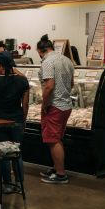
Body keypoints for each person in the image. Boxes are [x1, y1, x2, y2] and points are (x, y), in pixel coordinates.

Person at [0, 52, 30, 193]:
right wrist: (23, 120)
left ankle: (8, 185)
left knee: (3, 153)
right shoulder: (23, 81)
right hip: (16, 119)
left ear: (0, 64)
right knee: (16, 152)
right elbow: (25, 103)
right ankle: (19, 184)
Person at [36, 34, 75, 184]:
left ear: (40, 51)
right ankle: (56, 167)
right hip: (66, 105)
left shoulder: (47, 62)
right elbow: (71, 84)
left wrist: (44, 105)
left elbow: (49, 86)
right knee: (57, 138)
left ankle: (60, 174)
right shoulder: (67, 60)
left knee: (53, 140)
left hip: (54, 106)